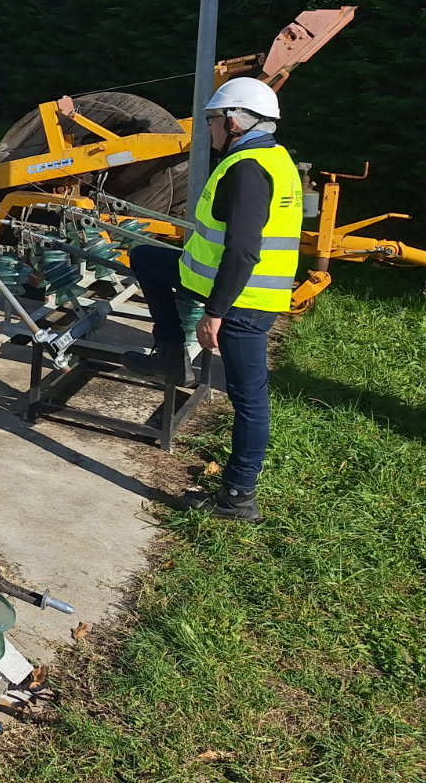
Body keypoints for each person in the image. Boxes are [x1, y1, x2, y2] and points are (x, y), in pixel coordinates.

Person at [123, 78, 302, 523]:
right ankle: (167, 352)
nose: (209, 129)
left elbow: (243, 250)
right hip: (225, 285)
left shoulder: (247, 170)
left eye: (212, 121)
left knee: (249, 398)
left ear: (235, 121)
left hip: (242, 302)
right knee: (145, 255)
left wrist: (214, 313)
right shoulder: (271, 158)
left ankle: (238, 497)